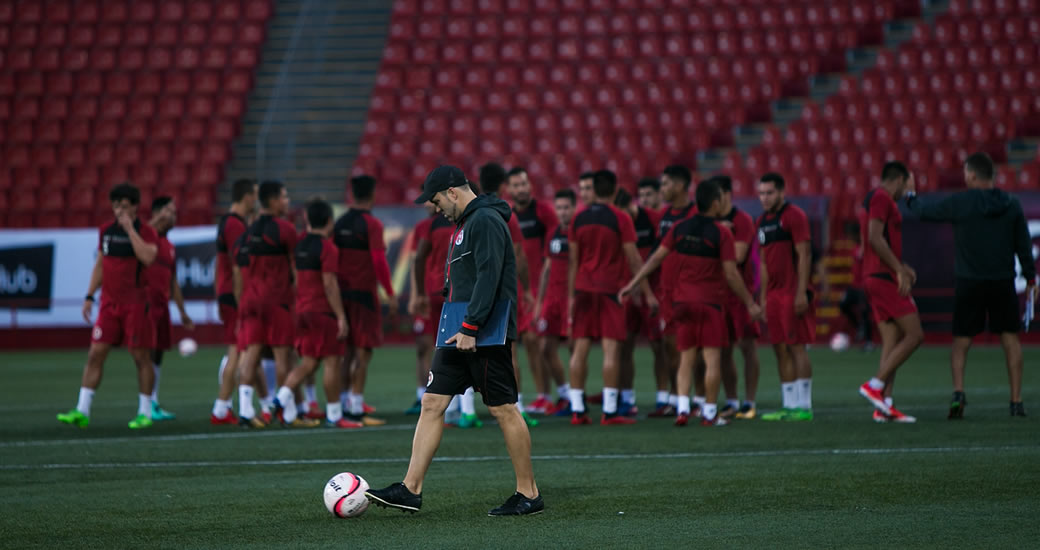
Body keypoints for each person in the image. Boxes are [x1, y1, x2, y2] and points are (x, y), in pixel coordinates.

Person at [366, 166, 543, 516]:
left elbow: (489, 276)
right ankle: (410, 488)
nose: (435, 209)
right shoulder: (466, 224)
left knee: (503, 408)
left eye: (435, 201)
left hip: (483, 333)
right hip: (457, 329)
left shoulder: (485, 221)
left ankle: (529, 493)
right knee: (431, 403)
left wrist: (472, 326)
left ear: (452, 192)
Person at [621, 179, 763, 426]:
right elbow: (731, 273)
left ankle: (683, 410)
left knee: (685, 358)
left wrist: (634, 283)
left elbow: (655, 258)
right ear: (716, 202)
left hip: (682, 303)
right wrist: (750, 302)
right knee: (711, 359)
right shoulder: (722, 232)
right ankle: (709, 413)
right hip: (710, 304)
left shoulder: (678, 228)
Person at [906, 152, 1037, 418]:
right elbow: (1024, 244)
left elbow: (925, 213)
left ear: (974, 175)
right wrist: (1032, 279)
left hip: (970, 281)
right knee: (1010, 340)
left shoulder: (960, 202)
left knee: (961, 342)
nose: (964, 177)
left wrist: (911, 197)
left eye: (966, 172)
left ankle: (958, 392)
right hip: (1002, 280)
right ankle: (1016, 401)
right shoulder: (1011, 204)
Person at [58, 182, 159, 429]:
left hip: (135, 304)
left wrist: (129, 230)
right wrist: (90, 295)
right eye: (116, 206)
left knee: (140, 356)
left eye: (124, 206)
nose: (119, 212)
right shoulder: (105, 231)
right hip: (109, 305)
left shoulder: (145, 232)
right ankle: (82, 410)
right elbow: (101, 265)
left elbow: (148, 257)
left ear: (135, 207)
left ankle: (145, 411)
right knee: (95, 354)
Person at [567, 169, 656, 426]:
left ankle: (577, 409)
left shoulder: (578, 219)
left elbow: (573, 260)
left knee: (580, 350)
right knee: (611, 352)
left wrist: (572, 295)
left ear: (593, 190)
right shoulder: (621, 218)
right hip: (610, 291)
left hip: (583, 289)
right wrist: (646, 292)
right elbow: (634, 257)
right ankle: (609, 411)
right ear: (616, 191)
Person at [273, 199, 360, 428]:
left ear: (307, 220)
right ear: (330, 222)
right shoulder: (327, 248)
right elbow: (329, 284)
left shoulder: (299, 246)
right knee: (332, 363)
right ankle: (334, 415)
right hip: (322, 312)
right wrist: (341, 316)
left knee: (309, 363)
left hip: (302, 311)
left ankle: (280, 397)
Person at [856, 162, 922, 423]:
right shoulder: (883, 197)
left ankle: (884, 405)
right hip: (883, 277)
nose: (906, 191)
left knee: (892, 340)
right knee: (915, 334)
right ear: (899, 180)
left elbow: (877, 241)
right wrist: (899, 270)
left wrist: (901, 266)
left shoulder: (875, 198)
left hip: (875, 274)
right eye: (907, 184)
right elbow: (875, 237)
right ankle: (875, 385)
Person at [479, 163, 538, 427]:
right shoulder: (507, 214)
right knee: (508, 351)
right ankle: (516, 405)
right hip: (503, 294)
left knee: (469, 349)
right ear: (504, 185)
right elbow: (520, 256)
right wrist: (525, 289)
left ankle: (467, 409)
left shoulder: (473, 213)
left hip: (477, 294)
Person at [333, 175, 394, 426]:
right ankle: (356, 406)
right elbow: (379, 261)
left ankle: (346, 401)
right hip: (364, 294)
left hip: (342, 293)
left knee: (346, 352)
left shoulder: (339, 223)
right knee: (363, 350)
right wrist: (389, 293)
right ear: (372, 194)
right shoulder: (372, 224)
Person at [756, 173, 816, 422]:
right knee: (780, 349)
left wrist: (801, 291)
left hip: (792, 292)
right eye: (761, 193)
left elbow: (805, 254)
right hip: (774, 295)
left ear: (781, 192)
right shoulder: (761, 221)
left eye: (769, 193)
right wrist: (763, 296)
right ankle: (789, 405)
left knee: (796, 346)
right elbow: (764, 262)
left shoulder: (794, 216)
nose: (765, 198)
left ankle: (805, 405)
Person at [236, 180, 296, 428]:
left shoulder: (246, 233)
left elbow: (239, 270)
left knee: (252, 353)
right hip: (277, 300)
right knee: (283, 355)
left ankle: (245, 409)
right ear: (272, 201)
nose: (287, 201)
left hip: (251, 299)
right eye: (284, 197)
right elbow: (296, 268)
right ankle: (284, 411)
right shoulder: (285, 230)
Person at [508, 166, 560, 414]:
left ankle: (545, 395)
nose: (520, 189)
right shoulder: (508, 216)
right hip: (514, 289)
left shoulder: (544, 212)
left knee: (535, 342)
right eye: (515, 185)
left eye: (523, 184)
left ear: (530, 186)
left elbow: (551, 252)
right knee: (513, 346)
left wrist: (543, 291)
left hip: (538, 288)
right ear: (509, 189)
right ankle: (519, 399)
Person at [713, 175, 763, 420]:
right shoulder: (713, 221)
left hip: (740, 292)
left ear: (726, 195)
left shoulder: (742, 220)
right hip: (718, 293)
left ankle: (750, 401)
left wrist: (720, 234)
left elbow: (739, 256)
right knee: (723, 350)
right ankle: (731, 400)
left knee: (747, 346)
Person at [648, 165, 697, 417]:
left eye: (665, 184)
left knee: (696, 348)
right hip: (667, 293)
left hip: (691, 290)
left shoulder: (696, 214)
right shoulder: (665, 216)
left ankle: (699, 399)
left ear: (679, 185)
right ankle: (680, 400)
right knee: (670, 347)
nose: (662, 189)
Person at [211, 179, 256, 424]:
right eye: (254, 195)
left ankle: (225, 407)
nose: (256, 201)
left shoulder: (228, 223)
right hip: (235, 294)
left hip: (227, 292)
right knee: (236, 351)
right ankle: (221, 408)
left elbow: (221, 264)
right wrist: (241, 299)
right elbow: (238, 267)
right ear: (246, 197)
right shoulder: (235, 226)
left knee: (241, 350)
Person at [145, 196, 194, 421]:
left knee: (157, 355)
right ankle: (144, 405)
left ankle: (152, 402)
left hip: (162, 305)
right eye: (169, 211)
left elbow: (173, 281)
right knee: (144, 354)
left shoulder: (170, 246)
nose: (173, 216)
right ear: (157, 212)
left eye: (175, 212)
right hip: (144, 305)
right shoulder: (145, 238)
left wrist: (182, 311)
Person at [614, 187, 663, 416]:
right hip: (627, 290)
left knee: (660, 346)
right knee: (624, 346)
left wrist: (647, 291)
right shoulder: (619, 222)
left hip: (654, 290)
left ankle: (665, 398)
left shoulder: (654, 220)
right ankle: (626, 398)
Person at [533, 189, 577, 415]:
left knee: (573, 347)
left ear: (574, 207)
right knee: (545, 348)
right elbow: (547, 268)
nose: (562, 212)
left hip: (572, 298)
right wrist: (540, 302)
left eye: (566, 207)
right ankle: (565, 394)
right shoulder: (552, 233)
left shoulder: (579, 232)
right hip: (552, 299)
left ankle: (578, 400)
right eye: (558, 208)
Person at [408, 201, 453, 415]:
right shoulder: (423, 227)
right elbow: (414, 261)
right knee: (424, 346)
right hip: (429, 293)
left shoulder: (450, 224)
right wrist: (416, 294)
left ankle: (452, 399)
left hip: (443, 292)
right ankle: (423, 394)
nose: (427, 202)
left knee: (443, 346)